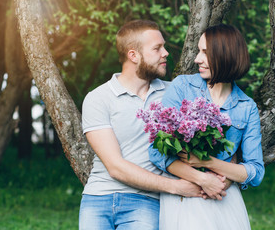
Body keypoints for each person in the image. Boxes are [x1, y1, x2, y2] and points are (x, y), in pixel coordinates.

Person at [79, 20, 204, 230]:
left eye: (163, 47)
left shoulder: (174, 94)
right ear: (133, 55)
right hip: (97, 198)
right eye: (157, 48)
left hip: (145, 202)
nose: (165, 53)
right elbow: (115, 167)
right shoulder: (98, 98)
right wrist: (177, 187)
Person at [149, 24, 265, 230]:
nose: (197, 59)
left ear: (224, 55)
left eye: (205, 52)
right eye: (198, 51)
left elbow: (255, 172)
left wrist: (209, 164)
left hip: (224, 198)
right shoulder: (182, 87)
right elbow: (157, 153)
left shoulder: (246, 108)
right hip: (185, 199)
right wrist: (202, 179)